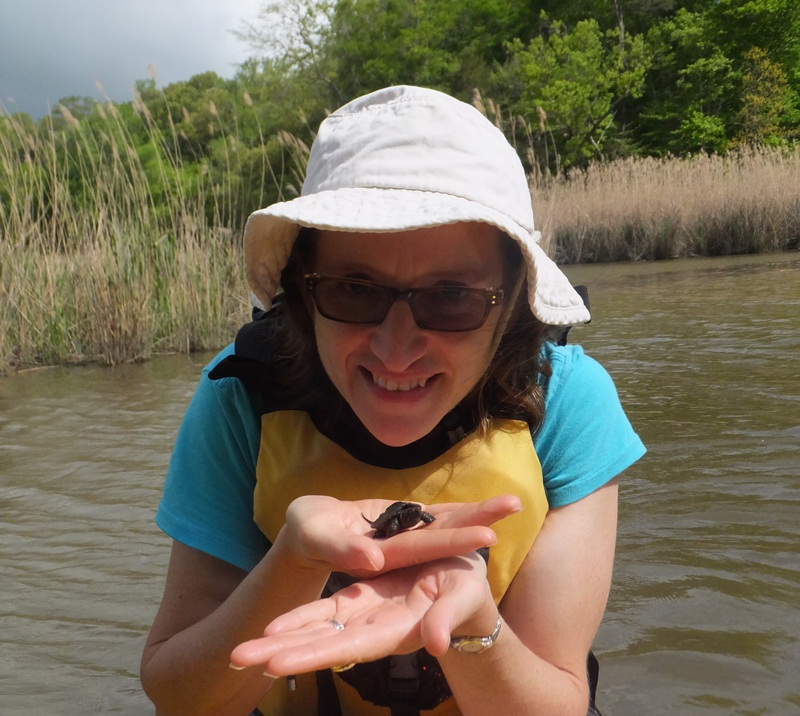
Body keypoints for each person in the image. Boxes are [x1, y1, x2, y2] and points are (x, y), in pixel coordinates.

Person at [141, 85, 645, 716]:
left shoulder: (568, 402)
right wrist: (290, 567)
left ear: (512, 301)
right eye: (355, 289)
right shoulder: (242, 395)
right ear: (303, 288)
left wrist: (473, 626)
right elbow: (180, 696)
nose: (396, 349)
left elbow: (559, 701)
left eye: (452, 297)